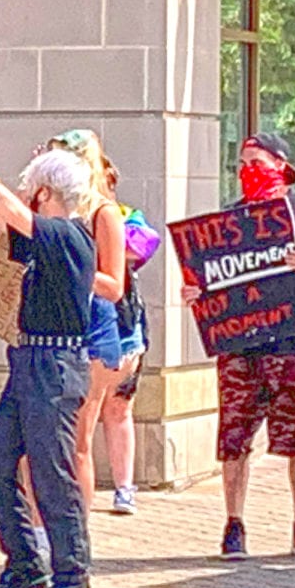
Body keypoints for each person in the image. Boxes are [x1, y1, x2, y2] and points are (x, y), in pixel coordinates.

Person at [0, 132, 101, 588]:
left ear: (45, 193)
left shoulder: (71, 234)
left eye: (31, 187)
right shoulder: (45, 237)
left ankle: (73, 575)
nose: (24, 195)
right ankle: (24, 564)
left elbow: (16, 216)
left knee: (51, 472)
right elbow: (2, 219)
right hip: (29, 360)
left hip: (56, 367)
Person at [182, 133, 295, 562]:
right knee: (234, 437)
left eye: (256, 161)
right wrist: (198, 294)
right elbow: (209, 276)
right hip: (239, 346)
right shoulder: (229, 219)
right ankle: (234, 524)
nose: (247, 169)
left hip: (292, 342)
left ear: (280, 163)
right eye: (241, 162)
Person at [44, 131, 128, 516]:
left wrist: (74, 269)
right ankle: (43, 532)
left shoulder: (102, 212)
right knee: (43, 442)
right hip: (51, 330)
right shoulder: (52, 211)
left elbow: (114, 285)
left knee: (78, 439)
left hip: (92, 333)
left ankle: (78, 529)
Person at [100, 158, 161, 516]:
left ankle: (124, 487)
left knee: (119, 405)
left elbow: (142, 246)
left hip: (123, 320)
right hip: (82, 324)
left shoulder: (126, 215)